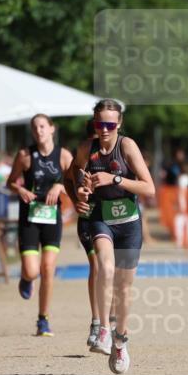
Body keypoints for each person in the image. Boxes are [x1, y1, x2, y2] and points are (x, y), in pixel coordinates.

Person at [71, 99, 155, 375]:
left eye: (109, 124)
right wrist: (80, 193)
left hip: (128, 224)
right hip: (101, 218)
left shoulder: (127, 146)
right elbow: (75, 173)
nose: (104, 129)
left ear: (119, 123)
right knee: (104, 268)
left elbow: (149, 188)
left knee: (123, 288)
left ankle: (121, 340)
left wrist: (114, 179)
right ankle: (104, 330)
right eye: (99, 124)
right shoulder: (87, 148)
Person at [6, 114, 72, 337]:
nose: (39, 131)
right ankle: (26, 278)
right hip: (30, 217)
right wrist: (21, 190)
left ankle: (43, 319)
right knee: (32, 271)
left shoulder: (64, 156)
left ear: (52, 129)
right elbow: (10, 182)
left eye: (43, 126)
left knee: (48, 268)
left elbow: (76, 183)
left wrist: (59, 187)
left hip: (52, 218)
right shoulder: (25, 156)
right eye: (35, 128)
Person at [64, 119, 116, 349]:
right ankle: (97, 322)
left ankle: (110, 320)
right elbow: (68, 180)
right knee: (97, 266)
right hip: (89, 219)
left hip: (112, 219)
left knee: (112, 268)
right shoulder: (82, 157)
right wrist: (76, 200)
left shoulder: (115, 153)